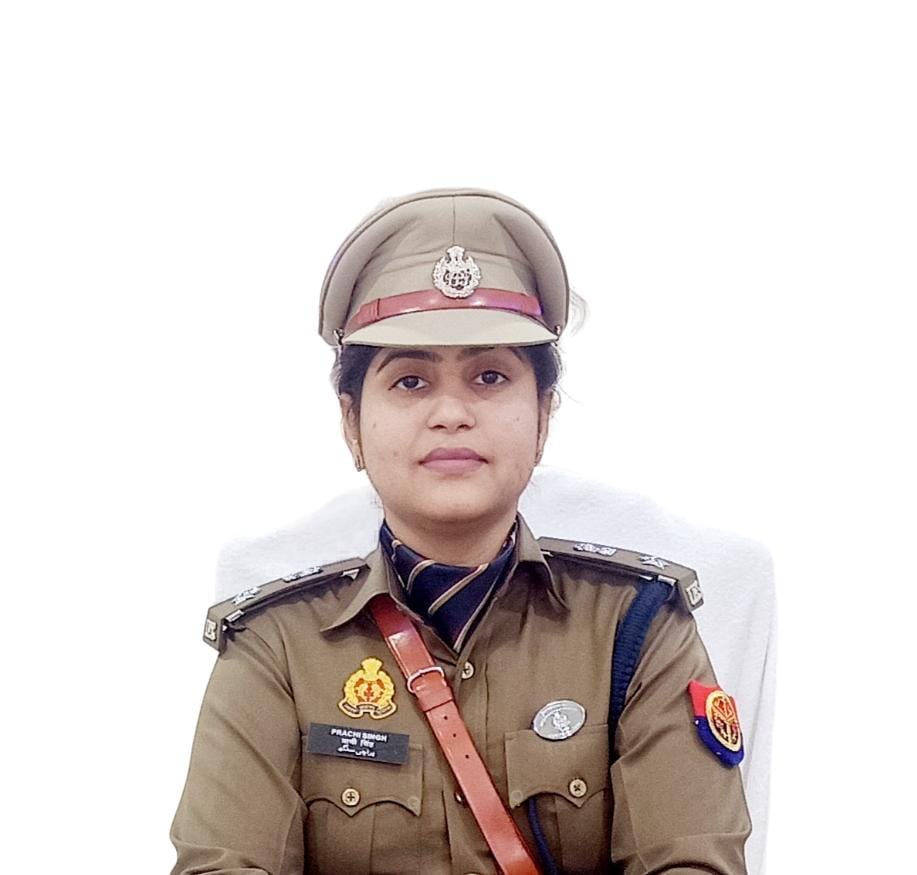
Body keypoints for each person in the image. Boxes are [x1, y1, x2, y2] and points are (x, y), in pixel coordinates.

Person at [170, 188, 752, 874]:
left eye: (489, 375)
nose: (451, 412)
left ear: (543, 417)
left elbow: (689, 862)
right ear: (352, 424)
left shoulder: (637, 629)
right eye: (410, 382)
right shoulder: (276, 646)